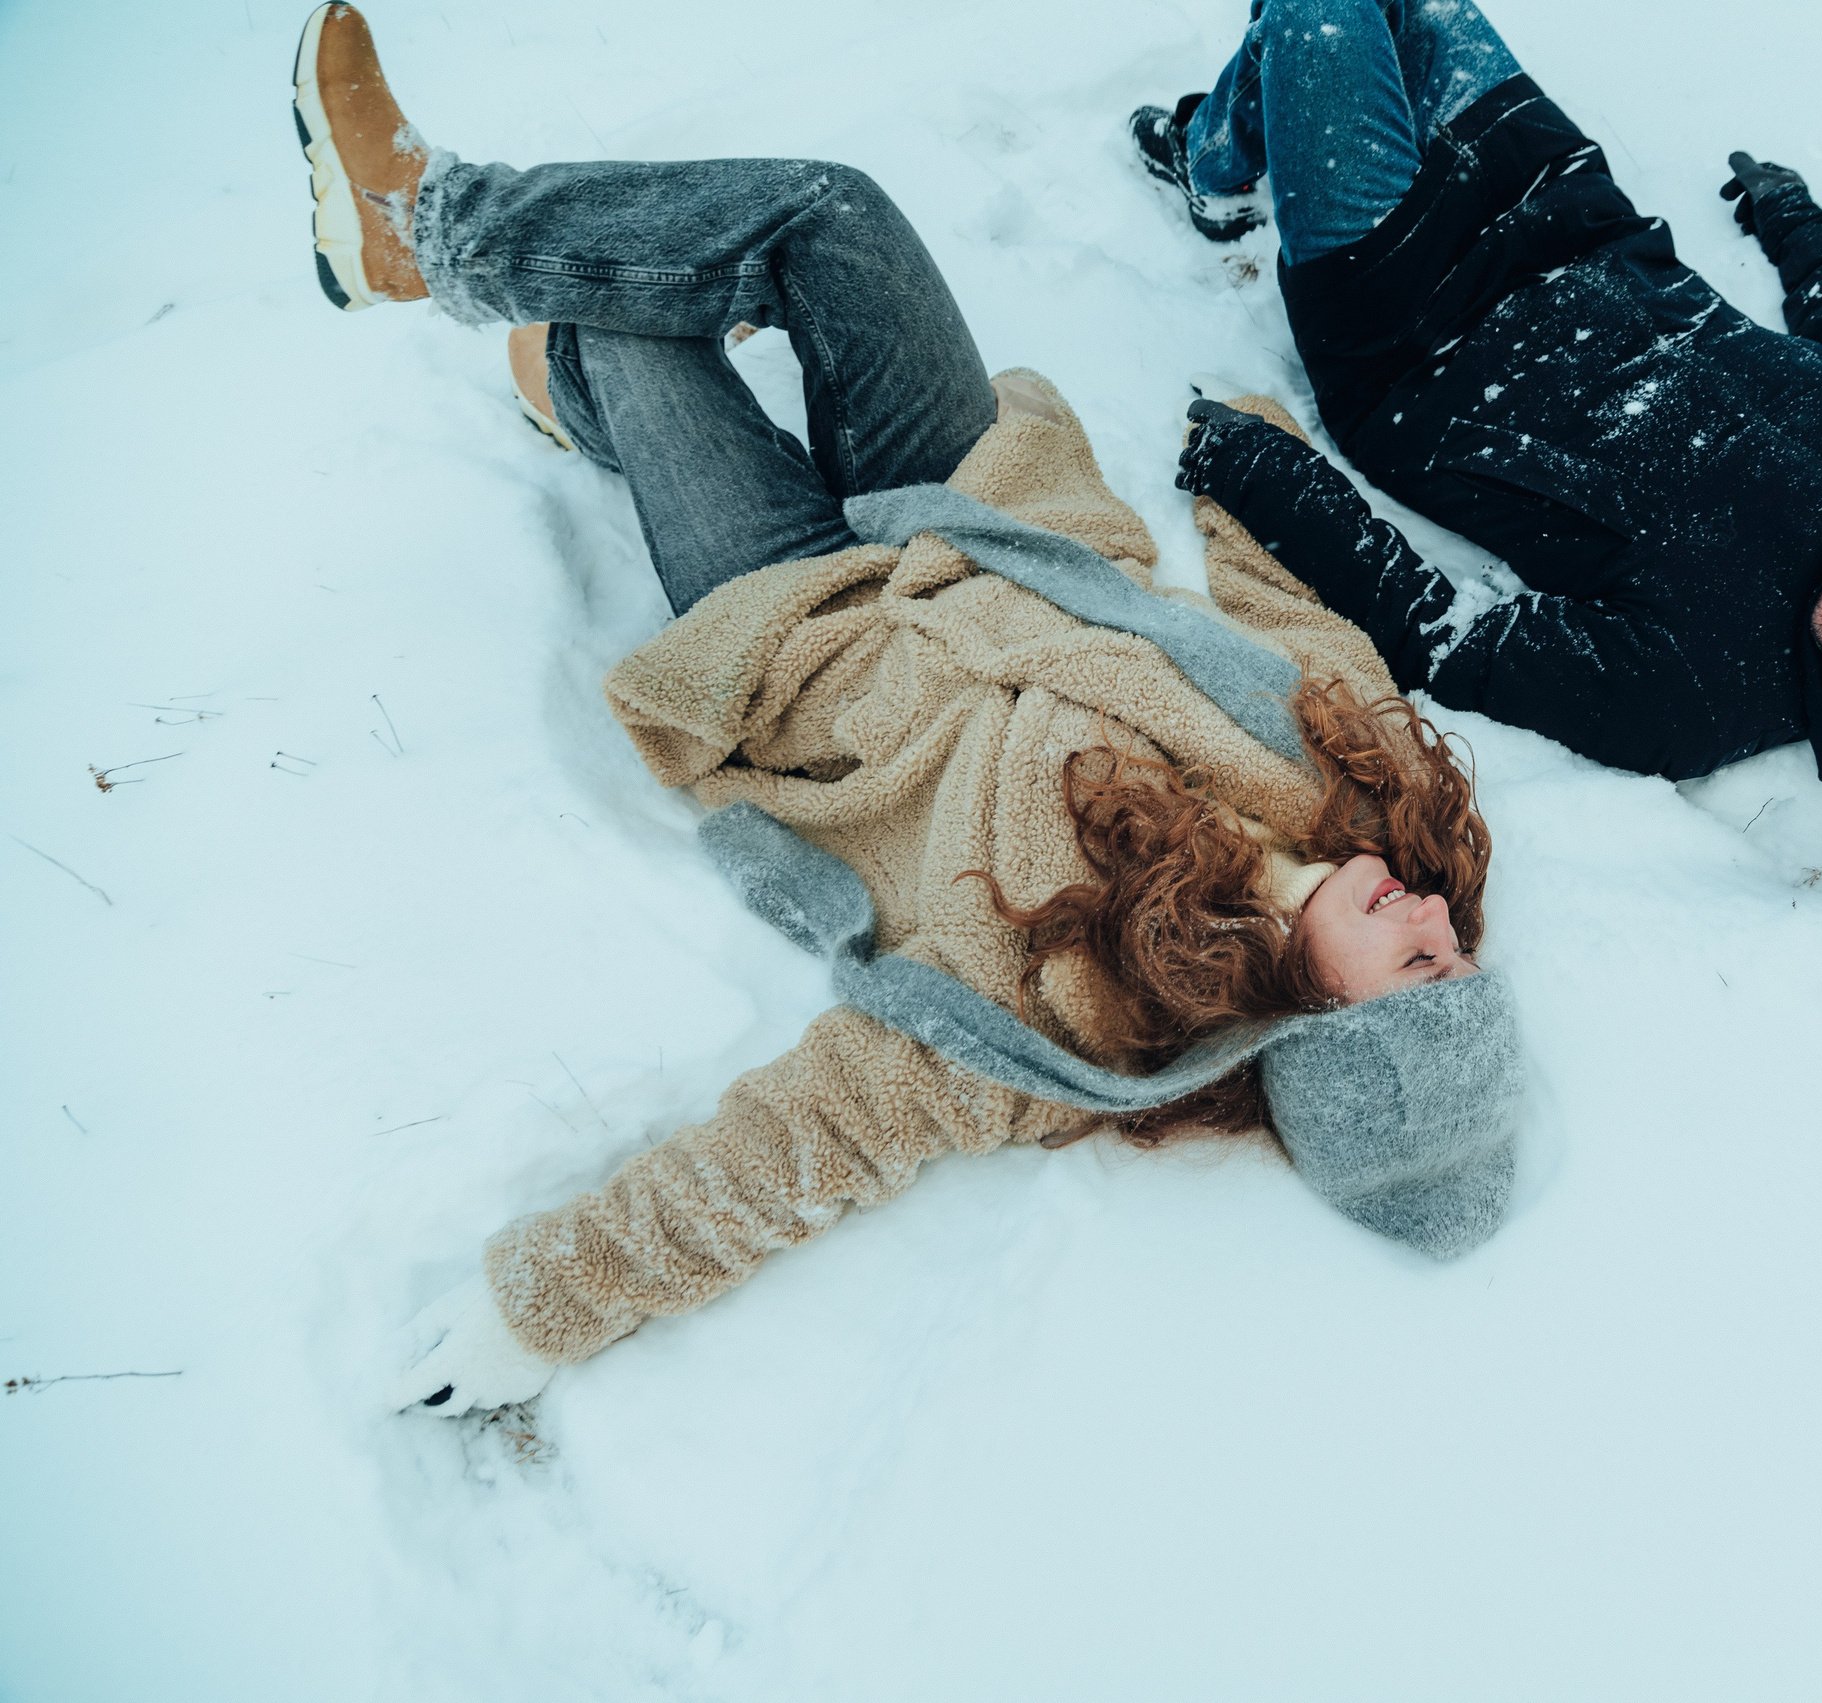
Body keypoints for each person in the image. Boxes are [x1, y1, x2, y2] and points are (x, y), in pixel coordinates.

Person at [287, 4, 1525, 1416]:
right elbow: (1302, 615)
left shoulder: (1077, 1018)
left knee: (632, 338)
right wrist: (1249, 458)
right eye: (1458, 950)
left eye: (1418, 965)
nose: (1433, 916)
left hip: (807, 628)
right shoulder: (1375, 793)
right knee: (835, 220)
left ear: (1320, 1028)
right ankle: (421, 222)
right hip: (989, 502)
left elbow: (793, 1148)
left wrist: (546, 1304)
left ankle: (575, 373)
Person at [1129, 0, 1822, 809]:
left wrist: (1262, 469)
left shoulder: (1697, 699)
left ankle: (1220, 162)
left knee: (1327, 11)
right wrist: (1791, 214)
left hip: (1406, 316)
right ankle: (1219, 160)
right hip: (1561, 202)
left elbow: (1445, 633)